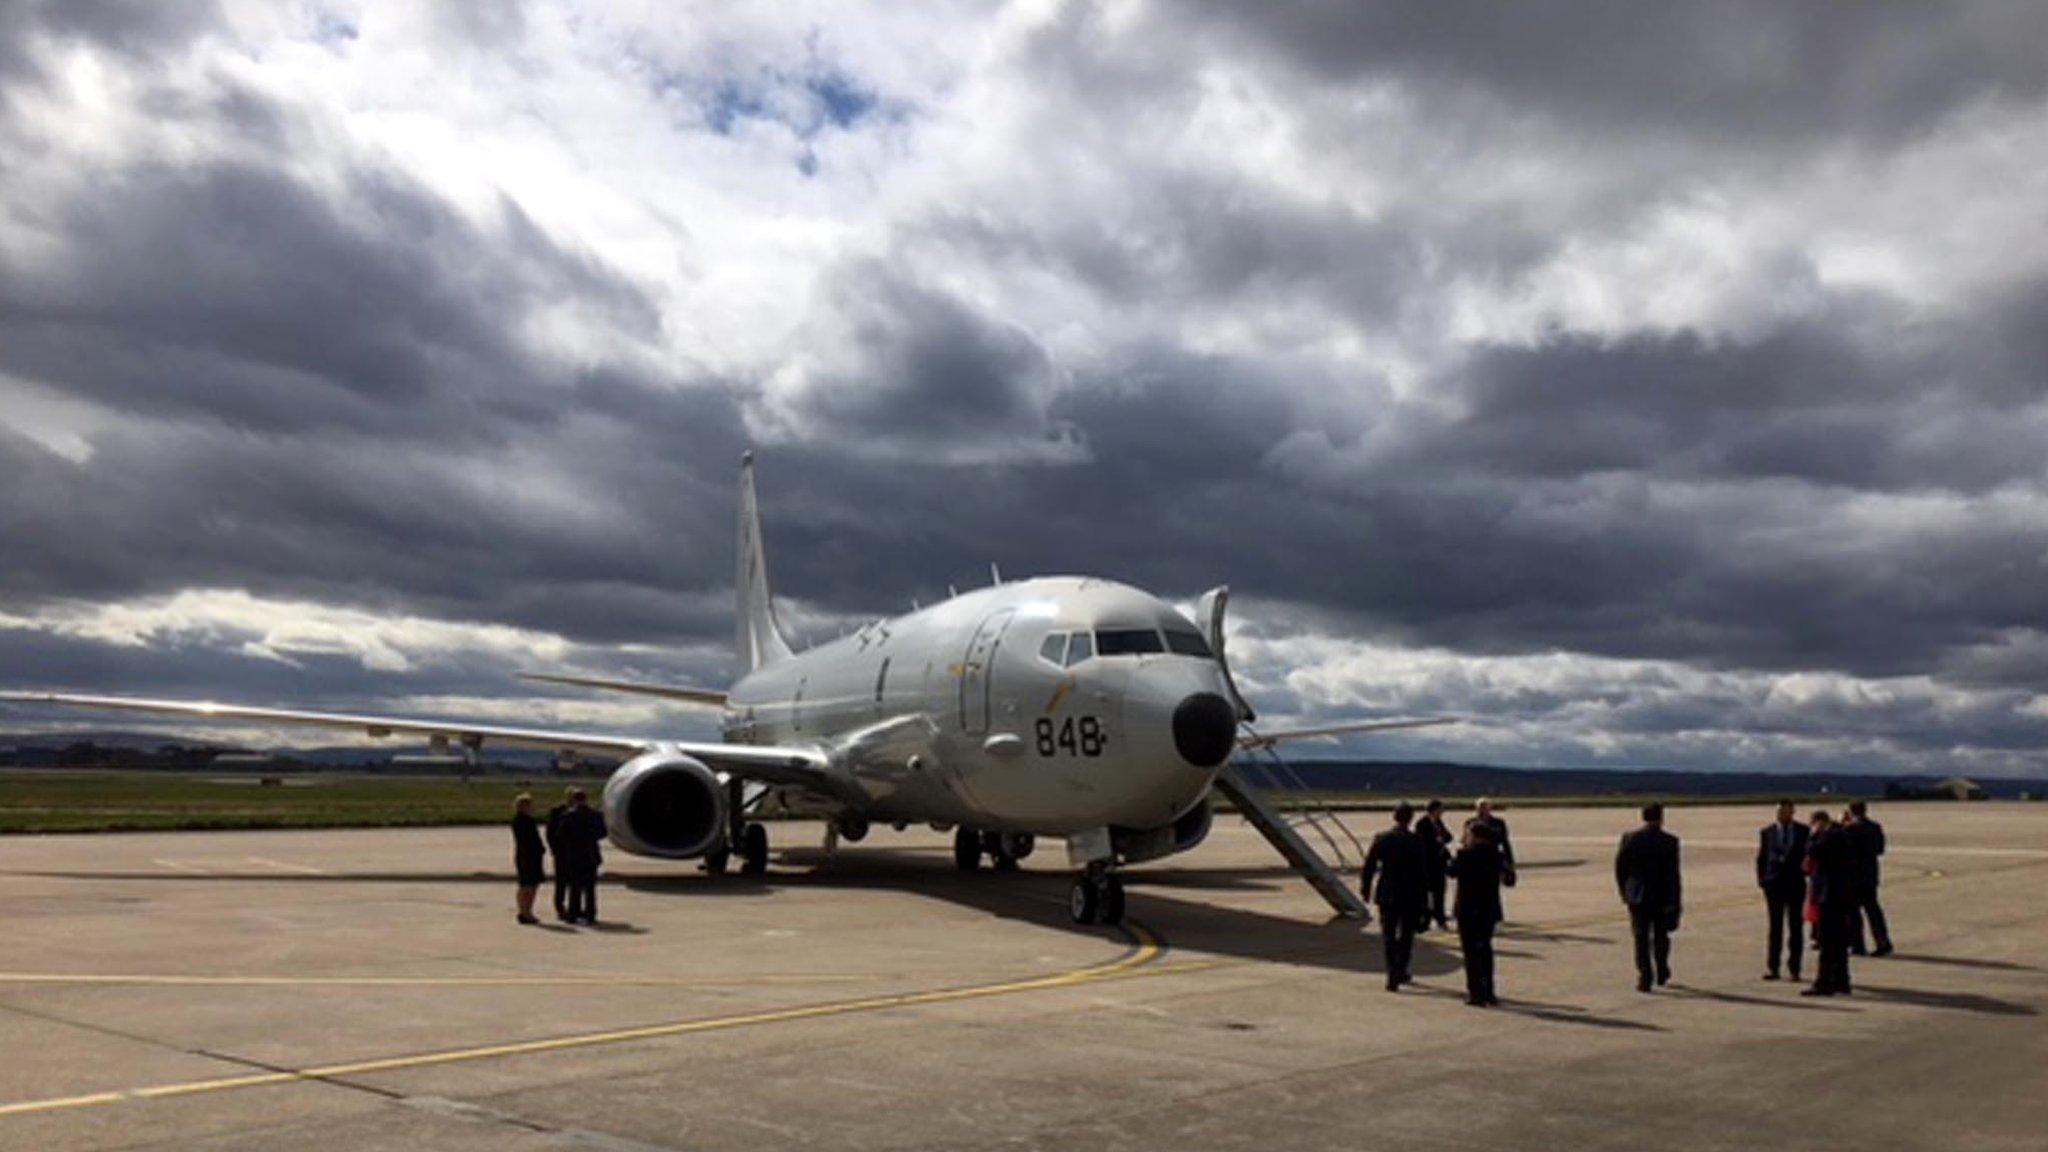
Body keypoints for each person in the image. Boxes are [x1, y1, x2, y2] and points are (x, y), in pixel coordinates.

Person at [1361, 802, 1432, 991]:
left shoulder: (1382, 838)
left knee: (1389, 936)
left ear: (1395, 817)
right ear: (1410, 819)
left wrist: (1366, 889)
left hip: (1388, 894)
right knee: (1407, 936)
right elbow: (1422, 873)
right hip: (1410, 895)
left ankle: (1392, 972)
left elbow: (1369, 867)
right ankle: (1401, 969)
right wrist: (1426, 900)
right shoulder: (1417, 841)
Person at [1614, 803, 1683, 992]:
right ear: (1661, 818)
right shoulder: (1670, 841)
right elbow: (1673, 875)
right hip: (1661, 897)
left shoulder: (1630, 838)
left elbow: (1620, 868)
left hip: (1637, 897)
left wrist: (1624, 891)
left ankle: (1645, 977)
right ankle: (1661, 968)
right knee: (1661, 937)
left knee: (1640, 938)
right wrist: (1675, 900)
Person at [1448, 821, 1508, 1007]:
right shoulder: (1496, 855)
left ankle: (1476, 993)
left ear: (1475, 836)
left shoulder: (1465, 855)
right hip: (1488, 908)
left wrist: (1451, 857)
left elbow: (1451, 872)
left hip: (1468, 909)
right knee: (1485, 950)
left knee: (1470, 952)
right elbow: (1507, 876)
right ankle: (1489, 991)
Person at [1803, 810, 1859, 997]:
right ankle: (1841, 981)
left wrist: (1813, 835)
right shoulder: (1840, 834)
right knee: (1839, 943)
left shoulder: (1830, 837)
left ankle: (1824, 982)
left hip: (1830, 896)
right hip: (1841, 896)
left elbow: (1813, 850)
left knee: (1827, 942)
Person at [1755, 799, 1810, 981]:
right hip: (1774, 885)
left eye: (1786, 811)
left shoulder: (1803, 831)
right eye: (1779, 812)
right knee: (1775, 928)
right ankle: (1773, 968)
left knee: (1796, 928)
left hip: (1795, 885)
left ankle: (1795, 969)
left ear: (1792, 812)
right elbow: (1762, 858)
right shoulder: (1767, 832)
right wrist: (1763, 880)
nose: (1782, 815)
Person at [1844, 800, 1893, 957]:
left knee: (1853, 912)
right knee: (1873, 910)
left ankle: (1858, 945)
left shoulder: (1850, 829)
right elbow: (1880, 849)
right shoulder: (1875, 827)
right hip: (1870, 875)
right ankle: (1882, 941)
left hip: (1853, 876)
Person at [556, 788, 609, 924]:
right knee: (590, 888)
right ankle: (590, 915)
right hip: (591, 854)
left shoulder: (568, 816)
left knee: (575, 887)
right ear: (586, 799)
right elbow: (603, 832)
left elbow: (560, 835)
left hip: (574, 855)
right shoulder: (596, 815)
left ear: (574, 800)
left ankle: (573, 914)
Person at [1415, 799, 1454, 931]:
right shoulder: (1422, 823)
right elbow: (1422, 842)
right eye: (1441, 809)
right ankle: (1425, 920)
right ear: (1434, 810)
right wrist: (1436, 840)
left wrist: (1441, 839)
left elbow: (1449, 836)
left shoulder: (1438, 822)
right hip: (1428, 864)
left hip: (1439, 863)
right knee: (1427, 894)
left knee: (1440, 892)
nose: (1442, 812)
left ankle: (1440, 918)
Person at [511, 793, 547, 925]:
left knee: (527, 884)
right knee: (528, 885)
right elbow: (530, 840)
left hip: (526, 855)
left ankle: (525, 911)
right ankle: (526, 911)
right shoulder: (525, 821)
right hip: (529, 856)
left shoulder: (518, 820)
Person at [544, 786, 575, 921]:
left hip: (576, 853)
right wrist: (555, 850)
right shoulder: (557, 811)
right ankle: (560, 908)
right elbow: (550, 833)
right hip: (561, 852)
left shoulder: (580, 812)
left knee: (575, 883)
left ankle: (574, 908)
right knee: (561, 883)